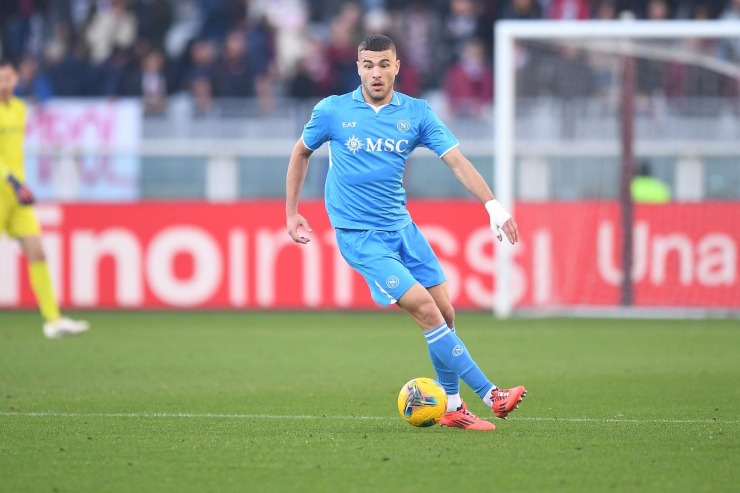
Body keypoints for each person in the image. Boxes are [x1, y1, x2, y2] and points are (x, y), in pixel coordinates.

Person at [285, 34, 526, 431]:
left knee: (446, 311)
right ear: (358, 68)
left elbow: (457, 162)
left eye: (384, 64)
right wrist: (291, 212)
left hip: (402, 228)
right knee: (427, 311)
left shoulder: (416, 113)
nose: (376, 73)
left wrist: (493, 206)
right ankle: (491, 394)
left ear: (396, 66)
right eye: (368, 65)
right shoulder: (332, 111)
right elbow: (301, 153)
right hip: (360, 235)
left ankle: (451, 407)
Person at [0, 58, 89, 339]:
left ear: (17, 80)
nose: (4, 82)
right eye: (0, 77)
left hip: (17, 195)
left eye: (8, 77)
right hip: (6, 188)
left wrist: (20, 184)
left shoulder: (19, 109)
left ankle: (53, 320)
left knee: (37, 252)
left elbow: (14, 152)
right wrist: (13, 181)